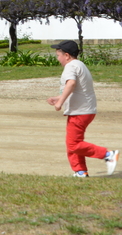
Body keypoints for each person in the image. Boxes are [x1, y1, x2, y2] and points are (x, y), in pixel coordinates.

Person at [46, 40, 118, 177]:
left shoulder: (70, 66)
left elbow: (71, 84)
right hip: (84, 110)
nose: (57, 58)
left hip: (80, 111)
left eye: (58, 55)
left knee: (73, 144)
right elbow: (77, 89)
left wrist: (60, 101)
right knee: (72, 142)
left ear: (66, 55)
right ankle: (80, 171)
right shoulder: (79, 65)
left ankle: (108, 155)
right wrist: (59, 97)